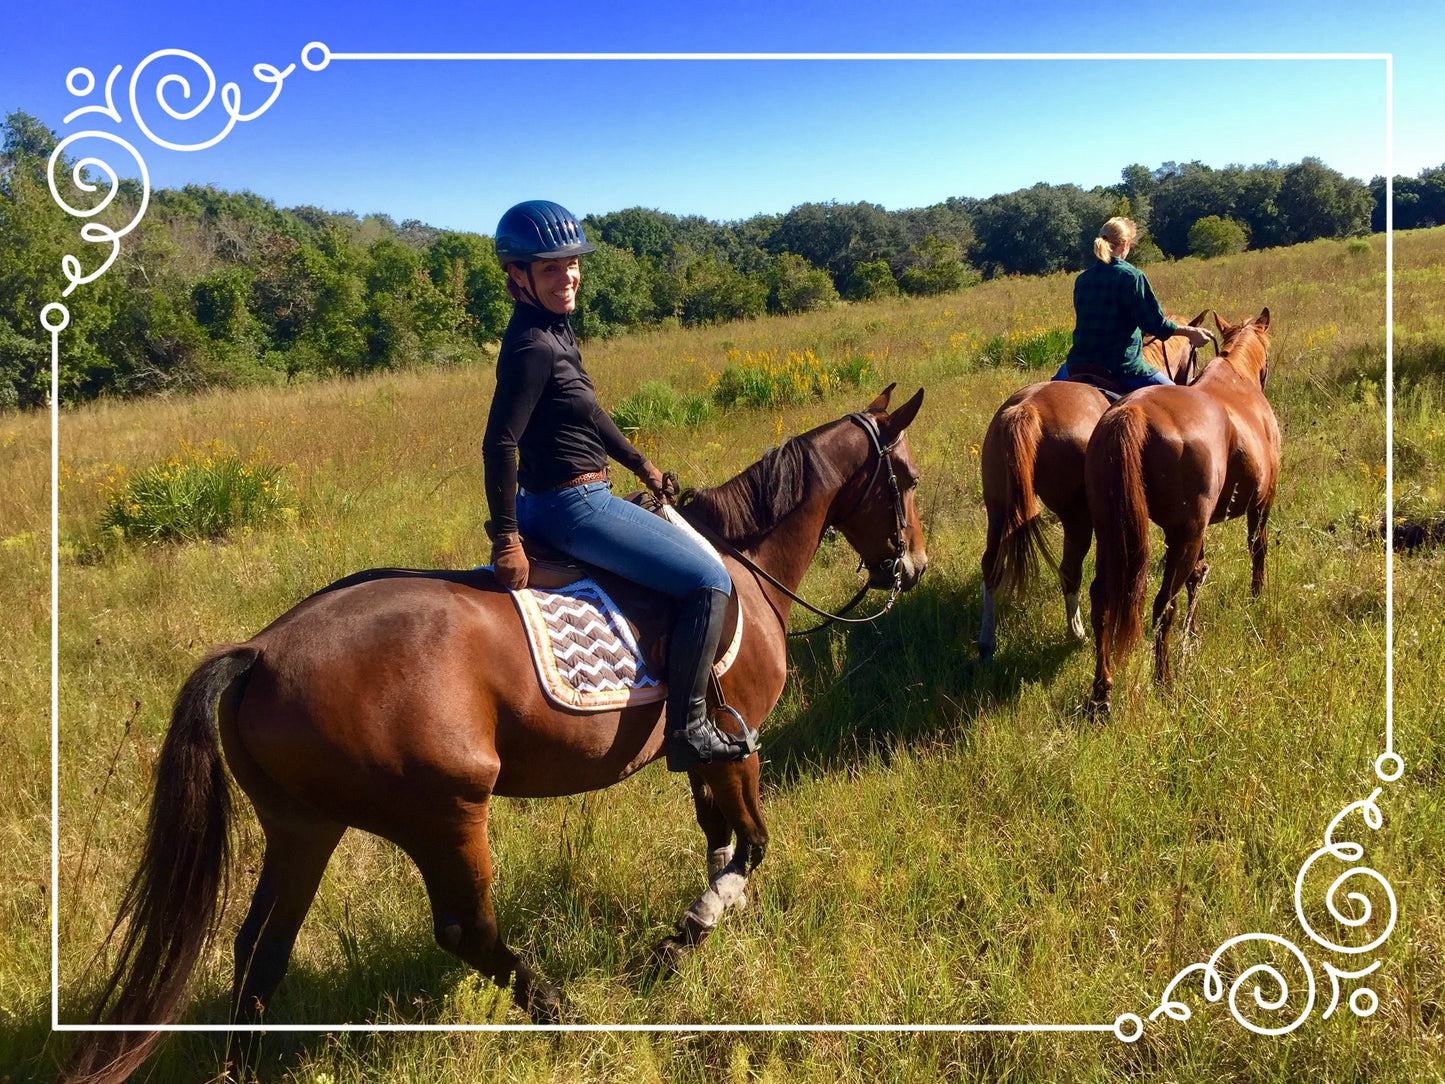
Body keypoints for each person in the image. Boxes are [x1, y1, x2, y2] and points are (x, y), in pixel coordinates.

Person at [482, 199, 750, 772]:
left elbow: (588, 412)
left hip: (565, 497)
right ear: (517, 274)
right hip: (572, 506)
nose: (569, 275)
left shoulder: (555, 330)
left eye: (573, 263)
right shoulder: (532, 345)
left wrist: (640, 464)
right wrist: (504, 536)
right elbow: (500, 442)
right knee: (710, 577)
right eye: (551, 267)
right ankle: (690, 730)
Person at [1051, 217, 1213, 392]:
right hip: (1121, 367)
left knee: (1049, 390)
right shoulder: (1131, 276)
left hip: (1077, 364)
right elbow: (1155, 324)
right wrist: (1190, 332)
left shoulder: (1083, 279)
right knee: (1181, 399)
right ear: (1125, 244)